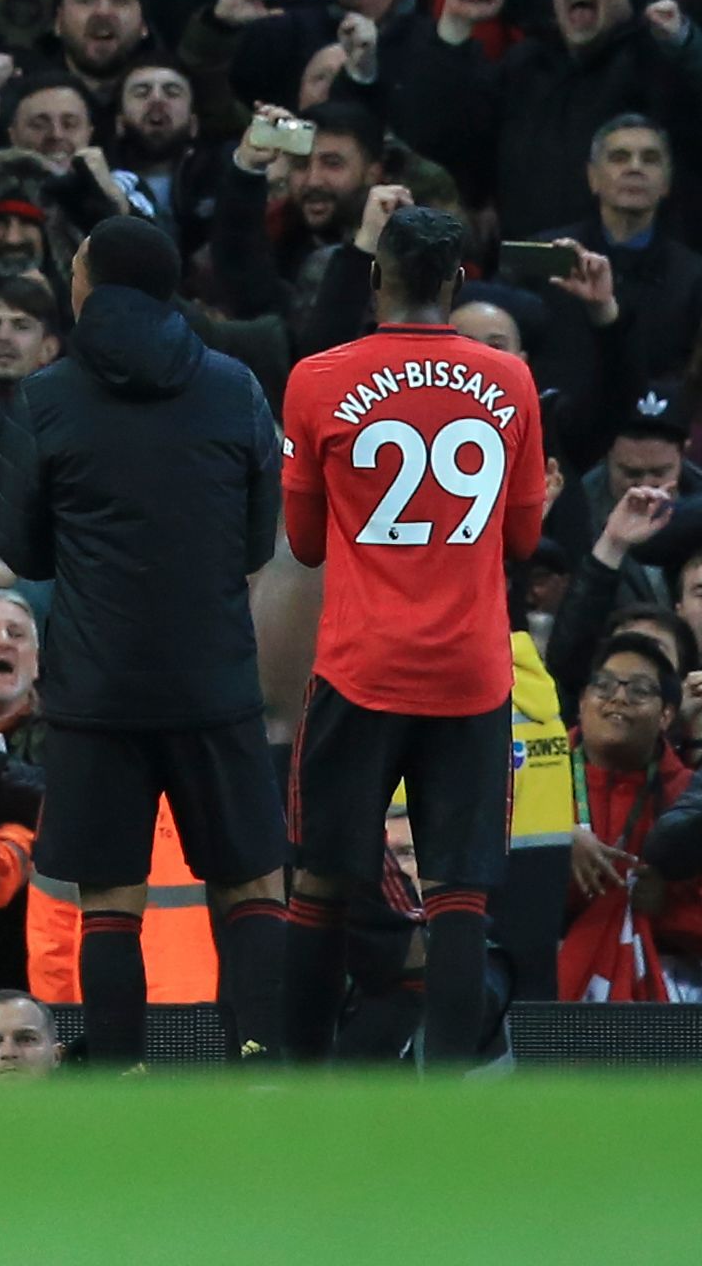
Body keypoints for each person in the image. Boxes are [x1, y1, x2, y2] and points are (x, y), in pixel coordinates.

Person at [0, 215, 287, 1064]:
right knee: (250, 884)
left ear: (93, 286)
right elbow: (254, 543)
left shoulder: (47, 395)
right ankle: (262, 1066)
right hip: (215, 683)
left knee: (110, 900)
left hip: (98, 687)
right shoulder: (236, 387)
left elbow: (20, 550)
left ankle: (121, 1074)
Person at [277, 209, 545, 1067]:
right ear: (458, 282)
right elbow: (524, 542)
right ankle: (454, 1098)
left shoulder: (318, 379)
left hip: (361, 666)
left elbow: (309, 543)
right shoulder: (510, 380)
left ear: (374, 279)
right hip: (471, 668)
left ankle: (301, 1080)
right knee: (459, 895)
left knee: (321, 879)